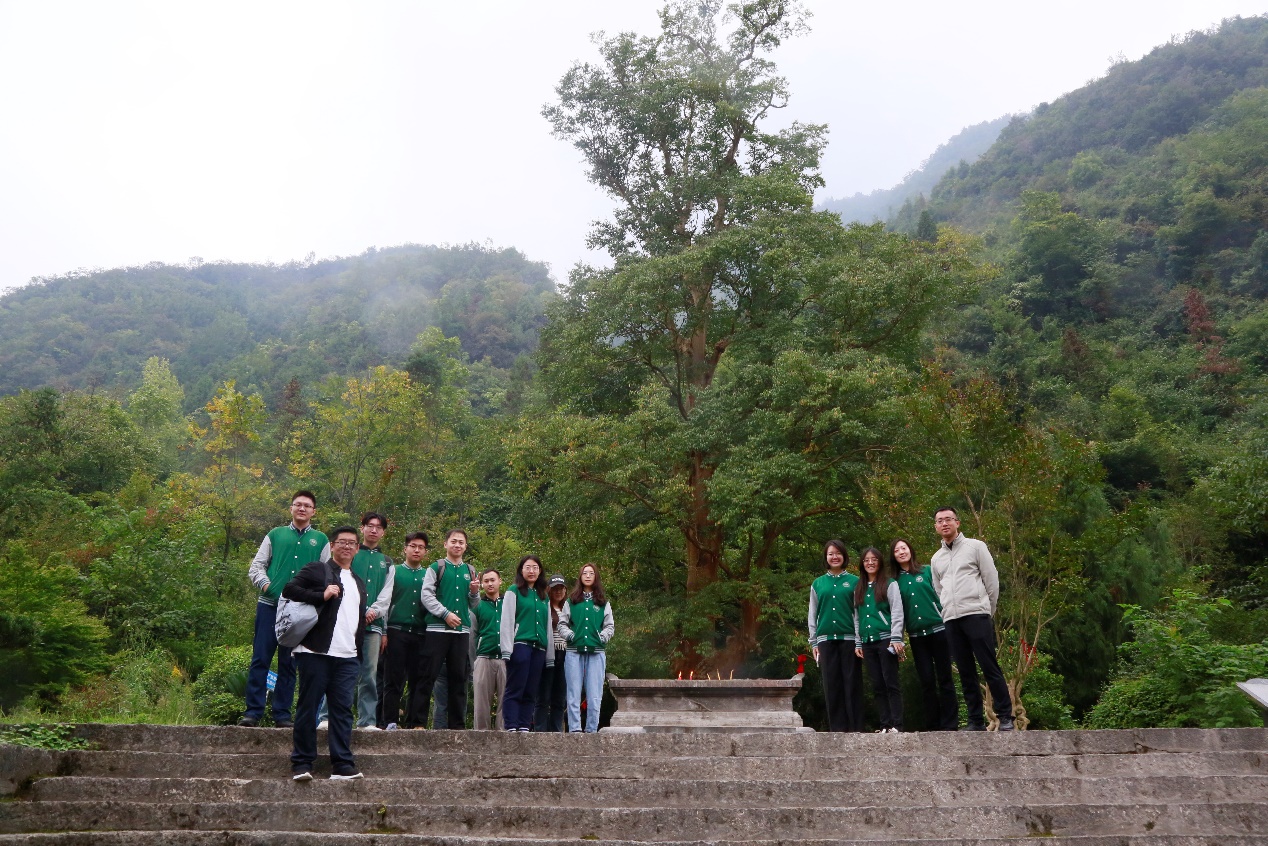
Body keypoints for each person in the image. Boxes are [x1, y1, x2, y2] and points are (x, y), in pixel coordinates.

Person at [240, 491, 330, 728]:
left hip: (300, 612)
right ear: (291, 508)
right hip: (269, 606)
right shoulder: (275, 534)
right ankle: (253, 712)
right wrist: (269, 587)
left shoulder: (321, 540)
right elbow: (256, 567)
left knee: (289, 663)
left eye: (307, 506)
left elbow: (326, 575)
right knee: (260, 658)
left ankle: (282, 714)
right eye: (298, 504)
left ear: (313, 511)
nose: (302, 508)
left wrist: (311, 599)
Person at [284, 525, 367, 781]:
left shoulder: (358, 581)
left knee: (342, 711)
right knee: (308, 707)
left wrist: (358, 654)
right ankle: (302, 763)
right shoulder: (318, 569)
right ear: (332, 546)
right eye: (342, 542)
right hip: (315, 651)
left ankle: (342, 764)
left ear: (357, 548)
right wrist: (321, 594)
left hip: (348, 656)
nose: (347, 546)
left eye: (352, 543)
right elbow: (289, 589)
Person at [930, 506, 1015, 732]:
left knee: (989, 666)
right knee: (966, 671)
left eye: (948, 519)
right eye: (940, 521)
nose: (944, 523)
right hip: (951, 619)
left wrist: (987, 609)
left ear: (957, 522)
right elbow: (939, 589)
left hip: (976, 614)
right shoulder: (936, 558)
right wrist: (947, 610)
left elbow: (991, 581)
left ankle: (1005, 716)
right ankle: (975, 720)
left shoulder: (976, 547)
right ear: (936, 527)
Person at [318, 512, 393, 731]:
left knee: (369, 673)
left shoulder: (387, 562)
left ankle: (367, 720)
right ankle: (327, 716)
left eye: (378, 527)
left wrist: (373, 612)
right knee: (337, 667)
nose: (374, 530)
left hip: (372, 624)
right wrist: (359, 610)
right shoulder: (350, 554)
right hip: (344, 622)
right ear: (362, 528)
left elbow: (387, 594)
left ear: (383, 532)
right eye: (370, 525)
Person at [893, 537, 958, 731]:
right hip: (916, 636)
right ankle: (933, 725)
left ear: (910, 550)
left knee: (945, 677)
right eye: (897, 550)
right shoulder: (894, 582)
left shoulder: (927, 571)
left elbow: (942, 594)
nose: (901, 552)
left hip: (939, 631)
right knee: (927, 680)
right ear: (893, 556)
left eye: (904, 548)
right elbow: (897, 612)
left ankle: (950, 724)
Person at [416, 529, 479, 729]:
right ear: (445, 544)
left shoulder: (470, 570)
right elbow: (426, 596)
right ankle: (418, 723)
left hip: (461, 632)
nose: (457, 545)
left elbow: (473, 604)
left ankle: (457, 726)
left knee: (459, 679)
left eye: (461, 542)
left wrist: (475, 593)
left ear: (465, 546)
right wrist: (445, 614)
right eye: (454, 541)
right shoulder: (436, 567)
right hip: (437, 630)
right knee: (427, 676)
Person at [808, 540, 863, 732]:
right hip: (825, 640)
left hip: (849, 639)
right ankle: (837, 730)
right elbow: (812, 614)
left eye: (838, 553)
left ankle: (856, 728)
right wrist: (813, 641)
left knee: (852, 683)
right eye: (831, 553)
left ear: (844, 556)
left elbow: (858, 613)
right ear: (826, 557)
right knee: (832, 685)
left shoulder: (855, 582)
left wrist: (859, 640)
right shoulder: (818, 584)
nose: (834, 557)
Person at [380, 532, 430, 729]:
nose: (416, 550)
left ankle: (415, 723)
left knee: (419, 679)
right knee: (393, 679)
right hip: (396, 630)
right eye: (413, 546)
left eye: (421, 547)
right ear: (405, 549)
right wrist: (384, 631)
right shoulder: (395, 571)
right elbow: (385, 602)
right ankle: (389, 721)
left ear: (425, 551)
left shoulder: (429, 574)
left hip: (421, 633)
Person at [854, 546, 906, 733]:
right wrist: (858, 641)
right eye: (866, 560)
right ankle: (885, 724)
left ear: (880, 562)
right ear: (862, 563)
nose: (870, 563)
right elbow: (856, 617)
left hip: (887, 639)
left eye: (874, 559)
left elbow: (897, 611)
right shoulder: (858, 588)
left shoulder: (889, 584)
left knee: (891, 682)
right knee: (877, 685)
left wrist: (896, 637)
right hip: (867, 642)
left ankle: (897, 725)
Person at [558, 562, 614, 733]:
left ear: (596, 577)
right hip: (574, 653)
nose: (588, 576)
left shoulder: (603, 602)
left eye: (591, 573)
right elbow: (562, 624)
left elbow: (609, 626)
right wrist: (571, 636)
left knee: (595, 695)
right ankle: (575, 729)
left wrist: (602, 638)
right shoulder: (571, 601)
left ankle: (591, 730)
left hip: (596, 653)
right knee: (573, 693)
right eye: (585, 573)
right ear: (580, 577)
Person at [499, 555, 552, 732]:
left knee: (531, 689)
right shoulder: (513, 591)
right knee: (516, 686)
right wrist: (507, 649)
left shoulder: (543, 596)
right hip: (520, 644)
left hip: (539, 648)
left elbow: (547, 626)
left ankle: (524, 724)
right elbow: (506, 621)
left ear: (540, 571)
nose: (531, 571)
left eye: (535, 567)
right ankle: (511, 724)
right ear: (521, 570)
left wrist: (549, 655)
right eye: (528, 567)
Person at [532, 575, 568, 732]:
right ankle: (540, 730)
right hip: (548, 654)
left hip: (565, 655)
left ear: (565, 590)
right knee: (543, 696)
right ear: (549, 590)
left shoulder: (568, 608)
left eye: (561, 588)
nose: (558, 592)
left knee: (560, 698)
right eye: (555, 589)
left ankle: (556, 731)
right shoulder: (544, 606)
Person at [471, 568, 506, 730]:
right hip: (483, 657)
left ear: (500, 581)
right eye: (486, 581)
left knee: (506, 703)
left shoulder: (509, 604)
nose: (490, 584)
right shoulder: (477, 605)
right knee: (481, 704)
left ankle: (504, 738)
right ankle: (480, 738)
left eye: (493, 580)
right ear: (482, 584)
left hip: (505, 658)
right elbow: (472, 634)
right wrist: (473, 661)